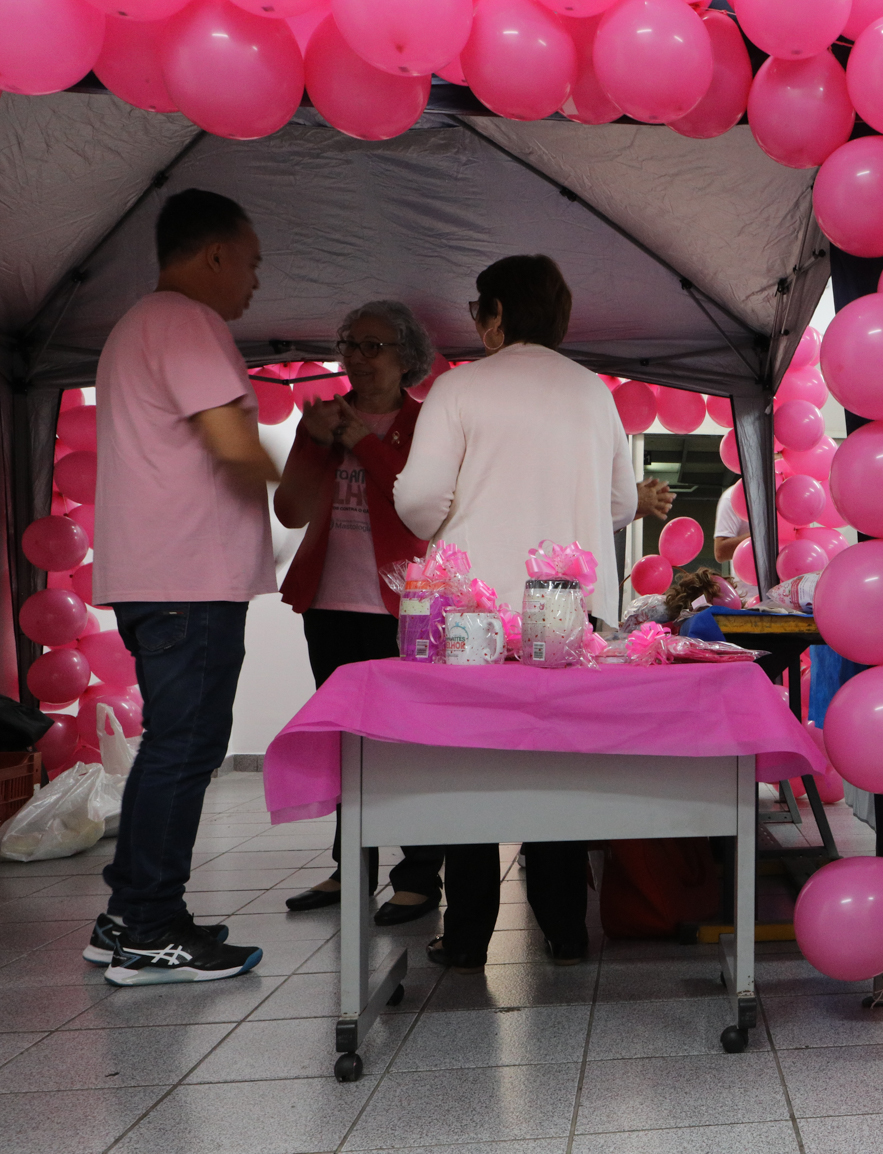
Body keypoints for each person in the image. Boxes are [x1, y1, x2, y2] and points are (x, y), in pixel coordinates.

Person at [394, 254, 674, 971]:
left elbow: (418, 500)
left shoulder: (460, 389)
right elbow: (618, 505)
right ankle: (564, 930)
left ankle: (467, 938)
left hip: (476, 616)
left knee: (472, 773)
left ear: (494, 316)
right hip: (570, 616)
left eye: (478, 312)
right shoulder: (592, 393)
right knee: (560, 767)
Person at [88, 189, 277, 985]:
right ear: (214, 256)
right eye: (252, 263)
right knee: (186, 748)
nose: (255, 284)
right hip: (187, 580)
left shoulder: (139, 324)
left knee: (173, 746)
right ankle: (149, 927)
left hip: (161, 577)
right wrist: (315, 457)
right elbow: (233, 447)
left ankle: (129, 913)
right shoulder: (186, 321)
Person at [274, 301, 444, 926]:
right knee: (350, 742)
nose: (358, 359)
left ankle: (421, 873)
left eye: (374, 347)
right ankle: (355, 866)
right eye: (350, 345)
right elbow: (290, 512)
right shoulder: (321, 419)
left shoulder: (428, 425)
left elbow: (416, 509)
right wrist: (317, 443)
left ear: (407, 358)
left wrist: (362, 444)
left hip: (407, 609)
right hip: (328, 604)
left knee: (410, 742)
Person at [714, 480, 749, 573]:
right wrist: (764, 533)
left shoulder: (789, 491)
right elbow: (721, 551)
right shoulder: (734, 496)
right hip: (751, 585)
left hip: (789, 582)